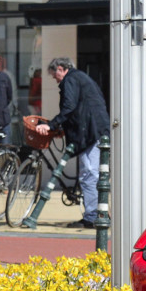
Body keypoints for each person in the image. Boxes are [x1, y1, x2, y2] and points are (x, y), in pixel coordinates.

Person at [35, 58, 109, 229]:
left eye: (55, 76)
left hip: (91, 131)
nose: (56, 79)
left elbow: (69, 106)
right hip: (96, 128)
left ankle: (93, 216)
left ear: (61, 69)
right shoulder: (81, 78)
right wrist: (64, 127)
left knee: (89, 173)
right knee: (90, 173)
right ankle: (96, 213)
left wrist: (52, 125)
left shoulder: (70, 79)